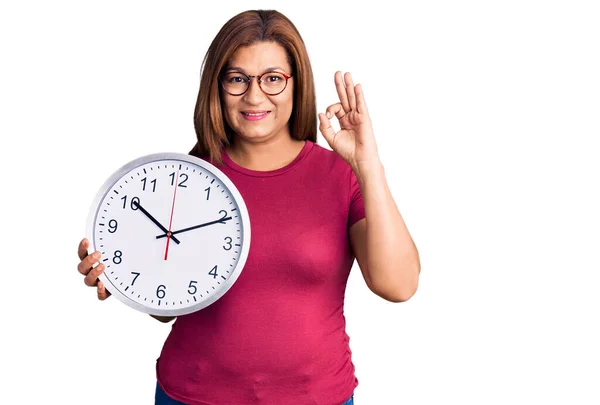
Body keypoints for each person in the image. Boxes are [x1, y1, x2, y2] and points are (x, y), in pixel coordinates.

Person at [77, 9, 420, 405]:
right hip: (192, 395)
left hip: (316, 397)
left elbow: (398, 285)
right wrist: (122, 281)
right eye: (237, 79)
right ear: (218, 86)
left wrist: (367, 165)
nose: (255, 96)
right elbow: (168, 308)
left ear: (296, 84)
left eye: (273, 78)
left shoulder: (341, 175)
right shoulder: (184, 180)